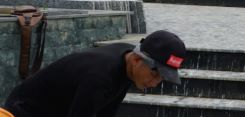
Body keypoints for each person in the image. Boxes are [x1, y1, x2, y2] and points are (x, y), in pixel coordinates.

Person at [3, 29, 187, 117]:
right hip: (22, 112)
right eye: (155, 74)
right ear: (137, 59)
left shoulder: (127, 63)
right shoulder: (99, 77)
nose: (155, 83)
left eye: (162, 79)